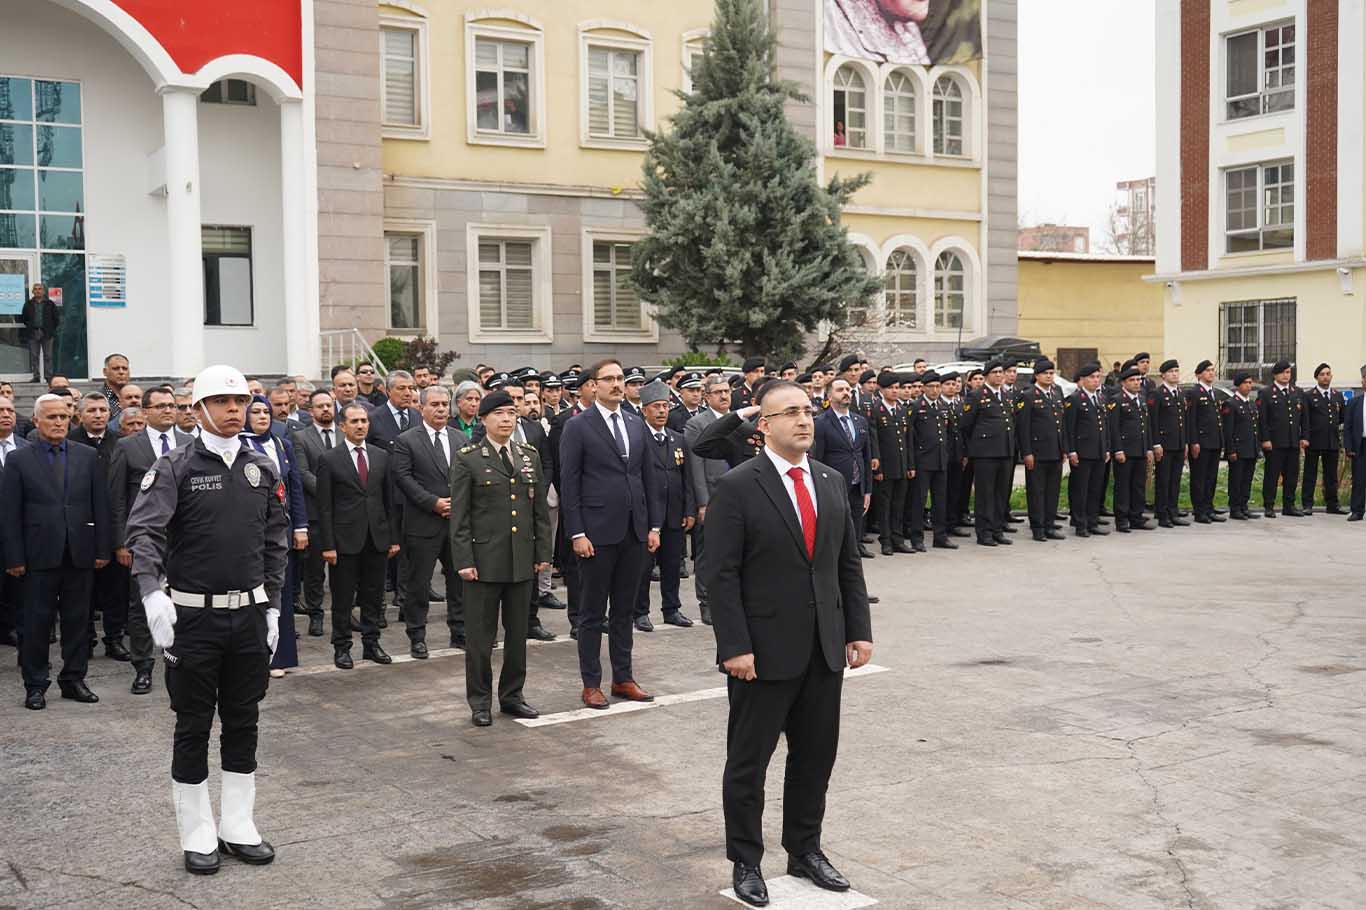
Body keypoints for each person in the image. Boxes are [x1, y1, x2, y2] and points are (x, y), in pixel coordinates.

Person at [699, 379, 873, 907]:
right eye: (790, 412)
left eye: (808, 411)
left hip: (824, 646)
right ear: (764, 425)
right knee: (749, 763)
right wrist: (734, 646)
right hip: (761, 651)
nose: (804, 420)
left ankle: (805, 849)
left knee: (815, 756)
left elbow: (846, 563)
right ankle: (746, 861)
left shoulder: (830, 479)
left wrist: (859, 630)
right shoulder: (738, 485)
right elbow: (719, 575)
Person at [123, 365, 286, 874]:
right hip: (193, 620)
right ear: (197, 410)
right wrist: (153, 593)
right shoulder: (175, 467)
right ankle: (197, 833)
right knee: (193, 725)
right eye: (220, 402)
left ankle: (238, 824)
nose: (233, 410)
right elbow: (144, 533)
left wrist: (274, 605)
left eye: (239, 401)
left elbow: (274, 543)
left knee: (244, 720)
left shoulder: (262, 466)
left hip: (249, 617)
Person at [558, 359, 663, 709]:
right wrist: (577, 532)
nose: (617, 384)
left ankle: (623, 678)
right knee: (591, 613)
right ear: (593, 385)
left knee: (623, 610)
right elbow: (569, 484)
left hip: (633, 532)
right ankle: (591, 683)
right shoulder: (579, 426)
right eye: (609, 379)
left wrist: (653, 526)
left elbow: (648, 478)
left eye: (620, 378)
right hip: (596, 533)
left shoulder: (636, 423)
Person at [450, 391, 552, 726]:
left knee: (518, 635)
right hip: (483, 562)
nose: (507, 419)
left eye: (511, 413)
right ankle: (480, 700)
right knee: (480, 638)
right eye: (499, 414)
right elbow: (460, 516)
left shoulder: (528, 455)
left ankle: (512, 696)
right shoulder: (468, 457)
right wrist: (464, 559)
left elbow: (538, 511)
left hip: (521, 559)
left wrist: (542, 555)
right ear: (483, 419)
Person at [3, 394, 111, 710]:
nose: (59, 422)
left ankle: (73, 679)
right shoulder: (19, 459)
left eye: (64, 417)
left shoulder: (86, 456)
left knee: (78, 621)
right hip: (37, 555)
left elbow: (100, 505)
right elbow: (9, 512)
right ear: (36, 422)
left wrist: (102, 547)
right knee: (36, 624)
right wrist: (14, 557)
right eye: (51, 417)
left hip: (79, 552)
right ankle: (35, 684)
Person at [108, 385, 197, 695]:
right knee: (141, 602)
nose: (168, 410)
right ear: (145, 412)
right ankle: (143, 666)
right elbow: (118, 498)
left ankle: (179, 658)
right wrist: (121, 542)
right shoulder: (128, 446)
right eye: (160, 406)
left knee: (183, 599)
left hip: (183, 539)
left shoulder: (190, 443)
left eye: (172, 405)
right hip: (145, 538)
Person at [317, 404, 399, 669]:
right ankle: (341, 647)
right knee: (342, 598)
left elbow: (389, 501)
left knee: (373, 596)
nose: (361, 425)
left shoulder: (381, 456)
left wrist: (392, 538)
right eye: (354, 421)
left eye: (364, 420)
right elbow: (325, 506)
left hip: (376, 538)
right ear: (343, 426)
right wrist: (328, 545)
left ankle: (371, 643)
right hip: (344, 541)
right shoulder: (330, 459)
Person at [392, 385, 466, 655]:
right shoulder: (407, 440)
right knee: (419, 584)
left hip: (456, 522)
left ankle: (459, 632)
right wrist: (433, 503)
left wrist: (456, 503)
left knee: (459, 582)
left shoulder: (460, 439)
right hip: (423, 523)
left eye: (444, 404)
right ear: (421, 407)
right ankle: (417, 635)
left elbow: (468, 477)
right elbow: (403, 478)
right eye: (434, 404)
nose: (440, 409)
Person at [240, 397, 309, 678]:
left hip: (282, 532)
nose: (262, 417)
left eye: (266, 412)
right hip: (251, 534)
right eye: (255, 412)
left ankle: (279, 656)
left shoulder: (282, 444)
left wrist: (301, 526)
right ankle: (254, 656)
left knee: (280, 593)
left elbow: (295, 488)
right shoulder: (239, 446)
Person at [634, 382, 696, 631]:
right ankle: (640, 611)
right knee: (644, 567)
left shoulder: (677, 439)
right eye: (656, 407)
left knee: (672, 564)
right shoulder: (638, 438)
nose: (661, 411)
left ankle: (672, 609)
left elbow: (687, 477)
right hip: (648, 514)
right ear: (644, 410)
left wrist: (689, 509)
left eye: (665, 406)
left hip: (674, 513)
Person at [70, 392, 127, 659]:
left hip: (113, 525)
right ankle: (86, 638)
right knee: (83, 590)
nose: (98, 415)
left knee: (115, 588)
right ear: (80, 415)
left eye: (103, 410)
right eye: (91, 410)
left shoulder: (121, 444)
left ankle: (114, 638)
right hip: (80, 526)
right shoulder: (69, 442)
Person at [685, 374, 735, 627]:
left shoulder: (740, 420)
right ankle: (706, 601)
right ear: (707, 397)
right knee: (707, 553)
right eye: (718, 392)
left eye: (727, 391)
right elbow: (696, 465)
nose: (724, 396)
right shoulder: (698, 424)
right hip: (713, 496)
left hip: (738, 495)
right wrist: (703, 503)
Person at [291, 390, 342, 638]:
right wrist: (329, 492)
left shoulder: (345, 433)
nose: (325, 410)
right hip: (315, 512)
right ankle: (316, 615)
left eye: (329, 405)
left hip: (344, 513)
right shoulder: (300, 437)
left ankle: (344, 613)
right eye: (320, 406)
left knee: (345, 569)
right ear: (310, 411)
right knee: (314, 570)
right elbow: (302, 472)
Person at [812, 377, 876, 558]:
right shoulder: (821, 423)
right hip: (833, 485)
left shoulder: (860, 421)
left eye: (848, 389)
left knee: (856, 523)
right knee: (835, 525)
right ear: (829, 395)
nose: (846, 393)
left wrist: (867, 490)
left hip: (857, 484)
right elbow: (818, 459)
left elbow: (866, 457)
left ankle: (853, 555)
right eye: (840, 390)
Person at [960, 361, 1015, 546]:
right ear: (987, 376)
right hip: (985, 453)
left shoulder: (1006, 395)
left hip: (1005, 451)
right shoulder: (977, 395)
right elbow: (966, 424)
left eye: (1001, 372)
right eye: (995, 372)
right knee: (985, 494)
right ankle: (984, 533)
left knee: (1001, 493)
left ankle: (997, 529)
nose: (999, 375)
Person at [907, 372, 957, 549]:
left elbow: (949, 433)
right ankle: (916, 537)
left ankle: (940, 536)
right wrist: (911, 463)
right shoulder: (916, 407)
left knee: (940, 500)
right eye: (931, 387)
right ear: (923, 388)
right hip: (923, 461)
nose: (935, 390)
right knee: (919, 501)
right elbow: (910, 438)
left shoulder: (943, 406)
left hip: (940, 460)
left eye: (937, 386)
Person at [1258, 360, 1308, 517]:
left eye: (1288, 372)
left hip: (1293, 441)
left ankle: (1289, 505)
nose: (1286, 376)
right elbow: (1263, 419)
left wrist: (1304, 437)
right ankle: (1269, 505)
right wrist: (1265, 439)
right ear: (1275, 375)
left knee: (1292, 475)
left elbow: (1304, 418)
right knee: (1272, 475)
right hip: (1275, 442)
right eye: (1283, 372)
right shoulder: (1266, 393)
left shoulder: (1297, 392)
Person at [1065, 364, 1110, 537]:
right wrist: (1072, 451)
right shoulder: (1075, 399)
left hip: (1098, 451)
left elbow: (1104, 426)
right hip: (1082, 452)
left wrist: (1106, 448)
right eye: (1092, 377)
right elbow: (1069, 428)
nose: (1095, 380)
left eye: (1098, 377)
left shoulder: (1101, 398)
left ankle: (1092, 521)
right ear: (1082, 380)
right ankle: (1080, 523)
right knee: (1080, 490)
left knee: (1094, 489)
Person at [1109, 366, 1154, 532]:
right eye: (1132, 380)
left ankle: (1136, 517)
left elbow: (1146, 426)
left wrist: (1148, 447)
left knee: (1138, 485)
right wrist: (1118, 450)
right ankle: (1122, 519)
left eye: (1138, 380)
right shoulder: (1117, 400)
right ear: (1123, 383)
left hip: (1140, 450)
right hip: (1125, 451)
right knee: (1123, 486)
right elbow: (1113, 428)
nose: (1136, 383)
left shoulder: (1141, 399)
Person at [1147, 359, 1189, 528]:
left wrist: (1185, 442)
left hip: (1178, 444)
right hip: (1164, 444)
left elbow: (1182, 421)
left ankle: (1173, 510)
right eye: (1171, 371)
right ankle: (1162, 513)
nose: (1175, 374)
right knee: (1163, 480)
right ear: (1163, 375)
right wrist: (1156, 444)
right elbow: (1154, 421)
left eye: (1177, 371)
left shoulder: (1179, 393)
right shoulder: (1157, 394)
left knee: (1175, 480)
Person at [1301, 363, 1346, 515]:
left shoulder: (1337, 395)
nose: (1325, 377)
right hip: (1313, 440)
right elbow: (1305, 419)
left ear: (1331, 376)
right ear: (1316, 377)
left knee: (1331, 475)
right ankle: (1307, 504)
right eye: (1322, 374)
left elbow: (1341, 418)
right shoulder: (1308, 396)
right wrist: (1305, 438)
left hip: (1332, 441)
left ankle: (1332, 504)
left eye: (1328, 374)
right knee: (1310, 474)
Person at [1186, 360, 1225, 524]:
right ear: (1199, 374)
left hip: (1214, 441)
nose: (1211, 373)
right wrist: (1193, 441)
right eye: (1207, 370)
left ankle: (1208, 506)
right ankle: (1199, 510)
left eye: (1212, 370)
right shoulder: (1194, 393)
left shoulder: (1213, 392)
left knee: (1211, 477)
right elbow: (1191, 419)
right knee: (1199, 478)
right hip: (1201, 442)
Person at [0, 395, 25, 648]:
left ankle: (15, 632)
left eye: (10, 410)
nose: (6, 414)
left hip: (21, 533)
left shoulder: (26, 447)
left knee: (19, 590)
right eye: (0, 410)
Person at [1222, 373, 1261, 520]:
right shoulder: (1231, 404)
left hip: (1251, 448)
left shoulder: (1251, 404)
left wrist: (1257, 447)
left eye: (1250, 382)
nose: (1249, 385)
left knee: (1247, 480)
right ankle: (1235, 508)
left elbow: (1255, 427)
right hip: (1238, 450)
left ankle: (1244, 506)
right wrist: (1230, 450)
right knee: (1236, 480)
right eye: (1246, 383)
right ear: (1238, 385)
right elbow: (1228, 430)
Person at [20, 283, 60, 383]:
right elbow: (24, 318)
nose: (38, 291)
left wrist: (50, 329)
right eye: (36, 289)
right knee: (34, 356)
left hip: (46, 333)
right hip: (33, 332)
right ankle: (36, 376)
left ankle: (48, 376)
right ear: (33, 291)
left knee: (48, 356)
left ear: (43, 291)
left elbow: (56, 319)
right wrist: (31, 327)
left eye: (40, 289)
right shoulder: (28, 304)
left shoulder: (50, 304)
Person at [1344, 366, 1366, 521]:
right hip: (1361, 445)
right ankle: (1357, 510)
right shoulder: (1354, 402)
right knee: (1359, 479)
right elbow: (1348, 427)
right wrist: (1349, 447)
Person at [99, 353, 130, 422]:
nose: (121, 372)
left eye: (125, 369)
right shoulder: (95, 397)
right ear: (105, 372)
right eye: (116, 369)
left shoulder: (136, 397)